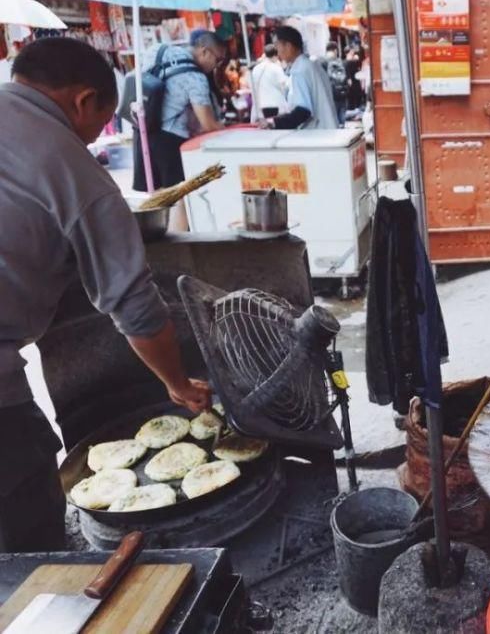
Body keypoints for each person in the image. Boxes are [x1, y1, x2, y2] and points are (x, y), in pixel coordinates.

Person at [0, 38, 211, 552]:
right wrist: (178, 383)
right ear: (83, 100)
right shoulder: (74, 170)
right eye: (104, 118)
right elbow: (134, 306)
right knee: (26, 507)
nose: (98, 135)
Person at [132, 29, 226, 192]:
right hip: (170, 142)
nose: (216, 66)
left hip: (142, 131)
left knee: (155, 197)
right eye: (217, 60)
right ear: (204, 51)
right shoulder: (196, 78)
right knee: (178, 200)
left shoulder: (158, 50)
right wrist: (225, 128)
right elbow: (208, 124)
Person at [259, 26, 338, 130]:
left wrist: (274, 122)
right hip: (328, 131)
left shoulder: (300, 70)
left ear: (288, 46)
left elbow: (303, 111)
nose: (277, 52)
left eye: (277, 46)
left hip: (318, 136)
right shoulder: (310, 65)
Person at [251, 44, 288, 120]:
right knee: (274, 129)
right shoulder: (276, 68)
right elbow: (284, 85)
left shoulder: (256, 69)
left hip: (260, 105)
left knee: (265, 130)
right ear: (275, 55)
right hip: (275, 104)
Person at [325, 42, 348, 126]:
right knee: (342, 112)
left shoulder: (323, 61)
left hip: (330, 93)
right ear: (335, 50)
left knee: (333, 116)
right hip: (341, 92)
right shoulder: (340, 62)